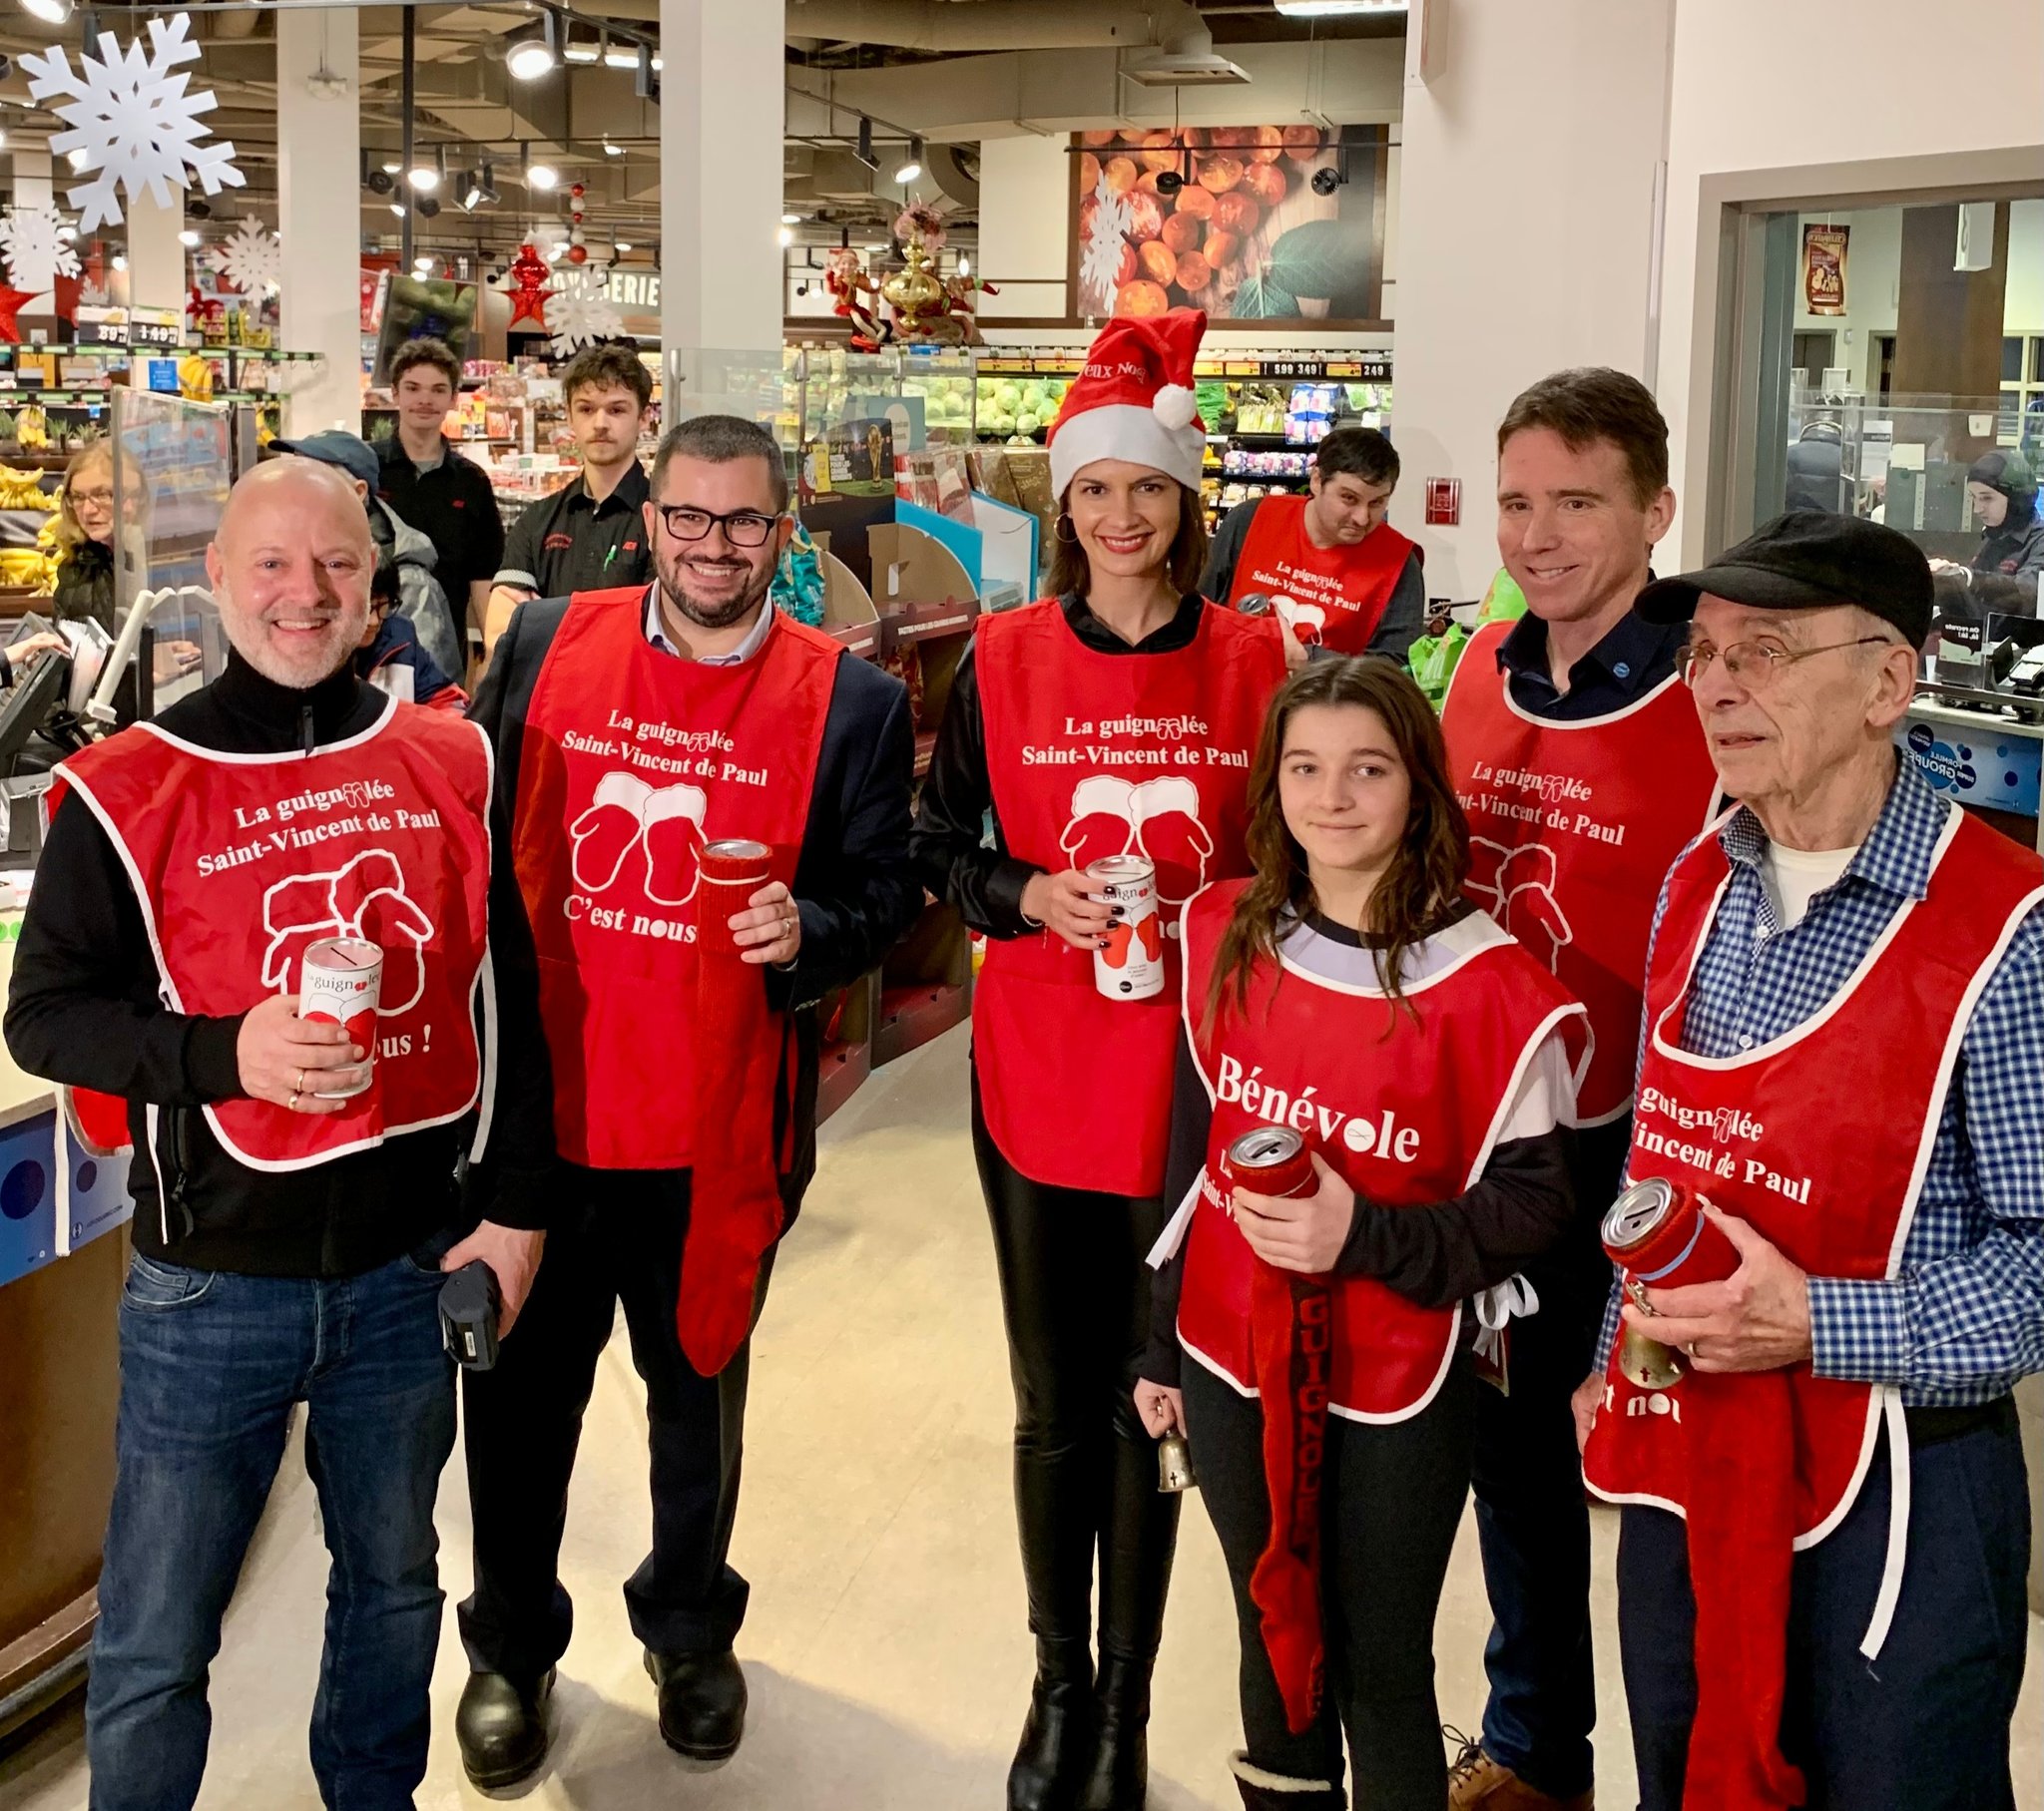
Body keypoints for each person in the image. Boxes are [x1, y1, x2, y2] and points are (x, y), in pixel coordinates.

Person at [2, 457, 554, 1811]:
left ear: (376, 588)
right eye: (272, 565)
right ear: (214, 579)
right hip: (207, 1287)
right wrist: (221, 1050)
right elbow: (50, 1018)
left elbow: (517, 994)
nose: (304, 594)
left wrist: (517, 1204)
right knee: (154, 1635)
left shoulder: (449, 757)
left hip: (403, 1274)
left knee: (392, 1592)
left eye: (336, 567)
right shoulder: (130, 790)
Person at [454, 412, 918, 1786]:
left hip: (718, 1133)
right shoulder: (543, 646)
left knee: (695, 1398)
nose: (717, 546)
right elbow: (468, 830)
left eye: (747, 523)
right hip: (545, 1124)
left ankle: (686, 1621)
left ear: (784, 532)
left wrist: (812, 927)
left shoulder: (853, 699)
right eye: (692, 518)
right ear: (648, 519)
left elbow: (888, 892)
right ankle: (512, 1645)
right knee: (519, 1412)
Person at [1575, 511, 2044, 1811]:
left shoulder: (2005, 932)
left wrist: (1818, 1318)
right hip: (1690, 1463)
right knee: (1688, 1770)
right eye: (1705, 655)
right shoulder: (1696, 883)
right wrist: (1610, 1349)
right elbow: (1655, 1152)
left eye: (1764, 651)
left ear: (1890, 681)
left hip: (1902, 1502)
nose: (1716, 684)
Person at [912, 307, 1290, 1811]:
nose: (1121, 515)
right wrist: (1024, 894)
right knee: (1053, 1396)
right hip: (1040, 1078)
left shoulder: (1256, 660)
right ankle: (1053, 1679)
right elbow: (940, 846)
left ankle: (1128, 1696)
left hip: (1193, 1093)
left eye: (1147, 489)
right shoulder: (999, 661)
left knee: (1156, 1400)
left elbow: (1303, 852)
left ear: (1185, 504)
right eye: (1093, 491)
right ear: (1063, 506)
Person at [1136, 658, 1585, 1811]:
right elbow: (1188, 1152)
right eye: (1304, 768)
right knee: (1271, 1635)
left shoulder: (1489, 988)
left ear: (1418, 787)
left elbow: (1532, 1212)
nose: (1331, 797)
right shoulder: (1224, 932)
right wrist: (1153, 1348)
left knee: (1378, 1663)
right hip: (1226, 1352)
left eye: (1366, 769)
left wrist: (1362, 1234)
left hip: (1398, 1372)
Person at [1436, 368, 1720, 1811]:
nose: (1538, 536)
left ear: (1656, 510)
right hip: (1495, 1133)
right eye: (1518, 502)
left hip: (1652, 1147)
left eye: (1578, 502)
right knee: (1512, 1447)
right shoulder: (1483, 667)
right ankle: (1537, 1738)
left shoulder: (1717, 686)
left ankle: (1707, 1767)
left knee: (1672, 1475)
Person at [485, 342, 656, 656]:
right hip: (548, 701)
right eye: (586, 409)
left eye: (617, 409)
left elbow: (655, 636)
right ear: (569, 417)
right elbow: (498, 633)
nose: (600, 423)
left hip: (630, 700)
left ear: (644, 417)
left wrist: (542, 621)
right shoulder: (537, 518)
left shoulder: (663, 520)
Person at [1202, 426, 1426, 661]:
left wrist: (1306, 659)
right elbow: (1198, 613)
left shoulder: (1399, 564)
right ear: (1317, 480)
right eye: (1349, 498)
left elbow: (1396, 670)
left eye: (1377, 503)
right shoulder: (1249, 519)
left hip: (1333, 696)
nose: (1362, 518)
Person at [271, 428, 465, 681]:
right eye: (295, 475)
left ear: (358, 492)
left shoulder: (408, 579)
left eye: (315, 479)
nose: (297, 490)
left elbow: (433, 694)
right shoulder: (287, 553)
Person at [373, 336, 505, 666]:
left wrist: (493, 654)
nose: (425, 400)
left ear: (453, 398)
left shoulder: (472, 481)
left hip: (445, 654)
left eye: (437, 389)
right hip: (369, 649)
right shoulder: (367, 470)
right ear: (395, 393)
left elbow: (484, 577)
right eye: (413, 388)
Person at [357, 550, 465, 710]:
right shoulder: (319, 651)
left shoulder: (401, 637)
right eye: (366, 608)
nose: (373, 620)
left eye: (383, 605)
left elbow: (448, 701)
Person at [1928, 448, 2044, 585]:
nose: (1977, 509)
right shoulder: (1994, 535)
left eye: (1987, 498)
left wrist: (1965, 577)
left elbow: (2026, 592)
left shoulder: (2039, 541)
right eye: (1974, 498)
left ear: (2016, 499)